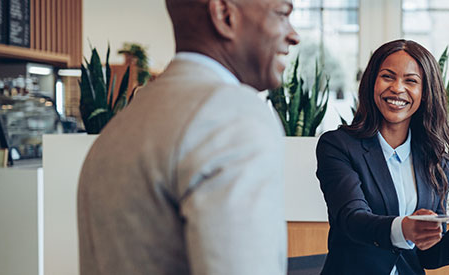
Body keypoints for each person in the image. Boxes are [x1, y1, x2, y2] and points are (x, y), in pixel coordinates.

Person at [76, 0, 299, 274]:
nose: (294, 34)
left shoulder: (119, 126)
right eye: (282, 14)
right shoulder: (233, 115)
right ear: (224, 15)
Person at [315, 39, 449, 275]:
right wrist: (404, 228)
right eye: (388, 76)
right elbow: (353, 219)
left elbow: (428, 255)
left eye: (411, 81)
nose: (398, 88)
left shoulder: (435, 158)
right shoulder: (338, 146)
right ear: (372, 83)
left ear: (425, 93)